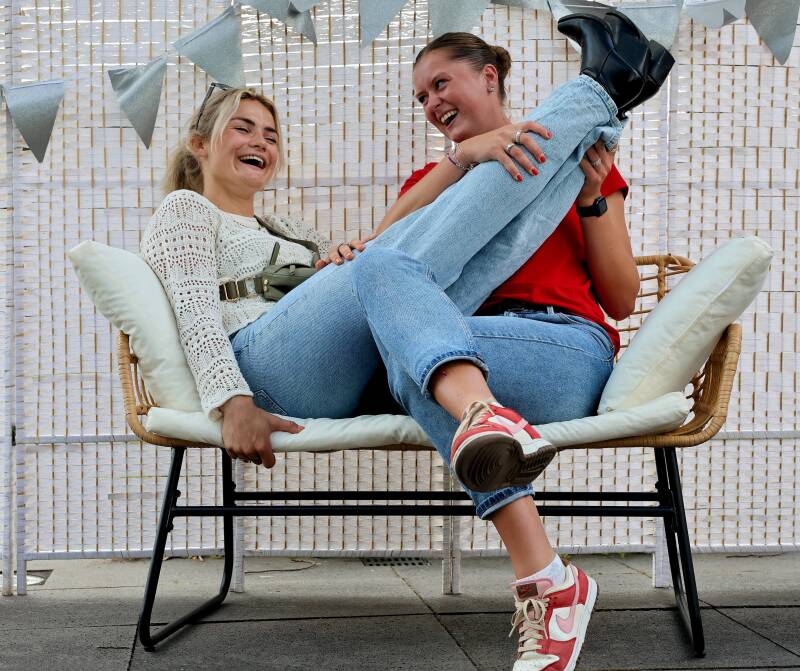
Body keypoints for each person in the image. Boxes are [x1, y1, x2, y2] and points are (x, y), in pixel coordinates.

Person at [140, 11, 672, 670]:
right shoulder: (186, 209)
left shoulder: (291, 229)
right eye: (242, 128)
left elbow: (380, 271)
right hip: (269, 367)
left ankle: (545, 575)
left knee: (409, 328)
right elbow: (196, 307)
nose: (261, 141)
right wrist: (231, 400)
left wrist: (588, 192)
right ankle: (605, 91)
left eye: (270, 133)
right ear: (199, 144)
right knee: (389, 273)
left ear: (490, 76)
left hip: (526, 342)